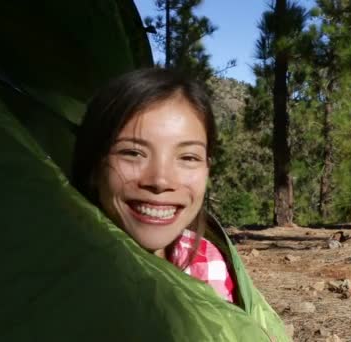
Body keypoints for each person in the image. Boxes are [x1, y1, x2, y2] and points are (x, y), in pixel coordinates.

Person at [71, 68, 288, 339]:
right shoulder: (58, 272)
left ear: (207, 168)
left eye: (188, 157)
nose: (161, 180)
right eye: (133, 153)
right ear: (94, 167)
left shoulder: (203, 262)